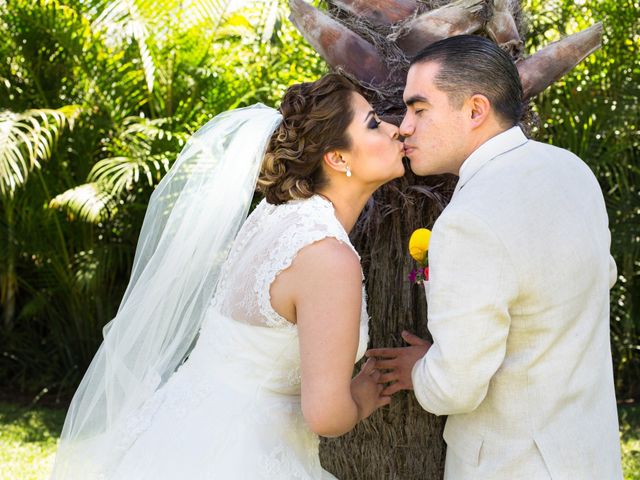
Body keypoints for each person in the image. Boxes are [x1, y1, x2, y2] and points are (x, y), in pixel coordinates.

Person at [51, 73, 404, 479]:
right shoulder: (327, 256)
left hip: (178, 432)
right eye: (374, 123)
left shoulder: (274, 216)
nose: (396, 129)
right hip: (241, 456)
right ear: (337, 158)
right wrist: (361, 396)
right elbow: (326, 416)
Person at [367, 35, 623, 479]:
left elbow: (454, 390)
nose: (404, 126)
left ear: (475, 111)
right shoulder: (573, 170)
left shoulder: (471, 220)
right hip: (588, 455)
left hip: (513, 464)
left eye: (419, 109)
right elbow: (599, 276)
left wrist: (423, 370)